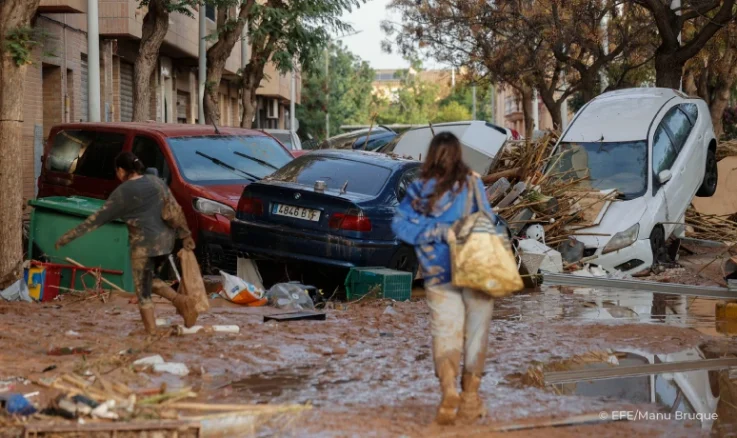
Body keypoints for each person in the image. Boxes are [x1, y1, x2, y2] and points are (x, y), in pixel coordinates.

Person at [392, 132, 494, 425]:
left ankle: (449, 391)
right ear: (459, 154)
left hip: (437, 275)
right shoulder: (473, 183)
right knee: (475, 335)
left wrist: (431, 233)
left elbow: (399, 225)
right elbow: (487, 219)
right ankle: (471, 399)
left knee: (445, 332)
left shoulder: (419, 189)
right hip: (473, 271)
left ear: (432, 155)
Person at [56, 152, 199, 335]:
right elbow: (175, 210)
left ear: (122, 171)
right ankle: (181, 302)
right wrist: (185, 235)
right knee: (151, 280)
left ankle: (152, 332)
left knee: (143, 290)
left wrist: (68, 237)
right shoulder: (156, 182)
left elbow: (96, 219)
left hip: (144, 246)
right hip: (166, 243)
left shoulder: (123, 192)